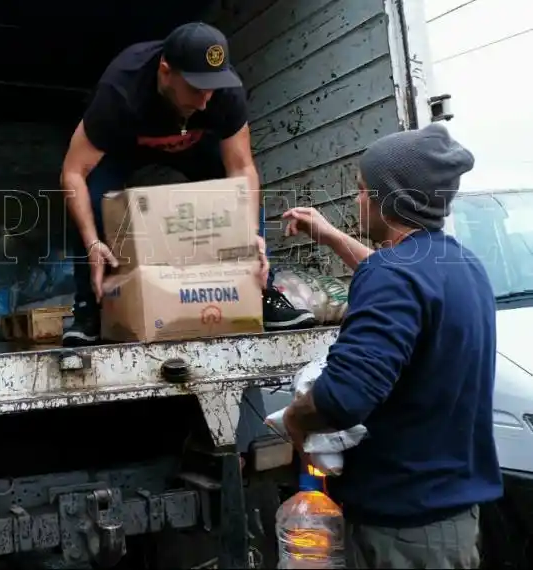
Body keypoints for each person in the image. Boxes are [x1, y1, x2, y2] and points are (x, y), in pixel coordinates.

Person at [280, 123, 503, 568]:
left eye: (363, 190)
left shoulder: (396, 276)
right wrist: (331, 237)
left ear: (389, 200)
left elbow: (342, 399)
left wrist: (295, 418)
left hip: (403, 533)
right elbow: (398, 278)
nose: (356, 200)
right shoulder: (460, 264)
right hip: (449, 520)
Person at [59, 21, 318, 347]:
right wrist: (92, 243)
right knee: (93, 198)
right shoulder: (121, 88)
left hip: (196, 149)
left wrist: (250, 235)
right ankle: (88, 307)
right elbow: (73, 172)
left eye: (212, 89)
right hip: (126, 151)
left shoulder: (225, 92)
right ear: (166, 72)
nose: (205, 101)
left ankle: (260, 293)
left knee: (236, 197)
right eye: (196, 89)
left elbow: (242, 168)